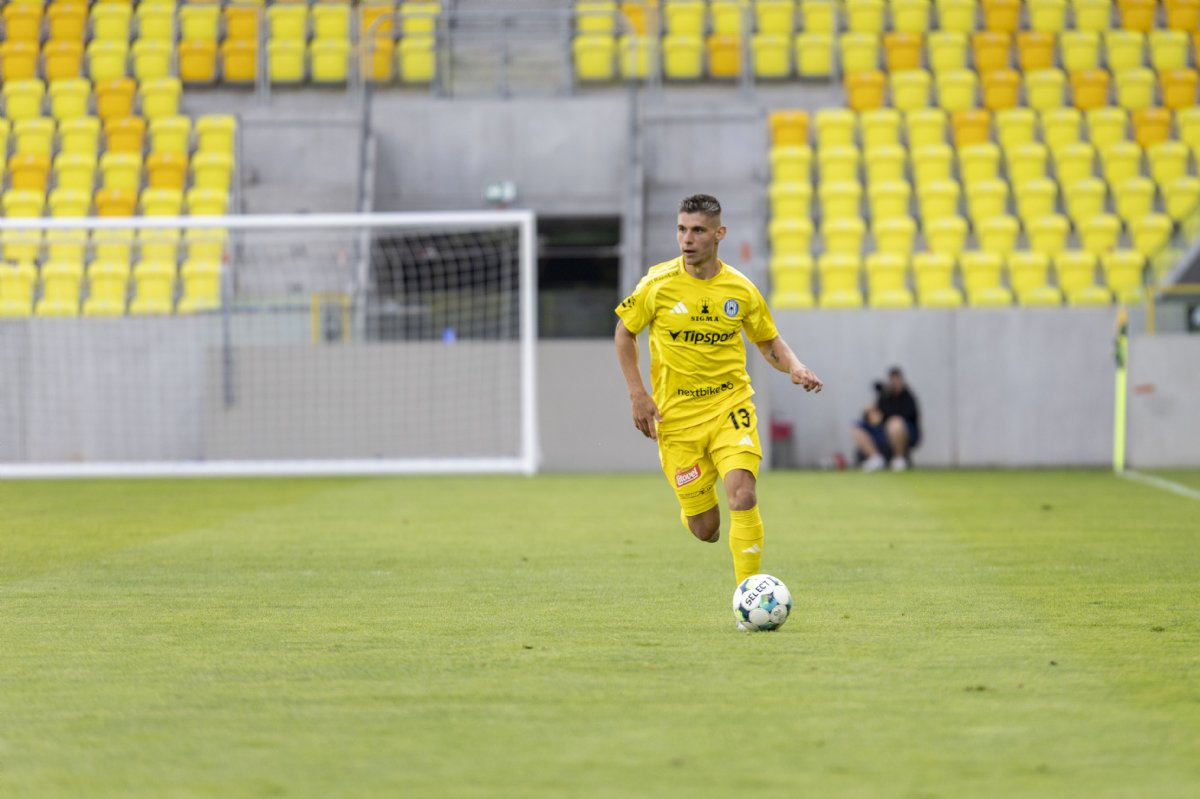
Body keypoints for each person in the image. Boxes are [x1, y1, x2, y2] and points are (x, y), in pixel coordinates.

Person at [614, 194, 823, 604]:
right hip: (677, 420)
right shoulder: (657, 284)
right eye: (682, 229)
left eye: (697, 230)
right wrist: (637, 393)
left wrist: (795, 367)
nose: (687, 239)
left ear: (719, 234)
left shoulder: (740, 289)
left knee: (743, 494)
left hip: (730, 406)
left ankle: (751, 597)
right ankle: (695, 503)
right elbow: (625, 332)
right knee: (705, 528)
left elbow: (768, 341)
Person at [852, 367, 921, 472]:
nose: (894, 382)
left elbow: (907, 415)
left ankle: (899, 459)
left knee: (895, 423)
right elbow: (873, 415)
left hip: (905, 431)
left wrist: (884, 418)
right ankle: (875, 458)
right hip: (883, 429)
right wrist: (870, 414)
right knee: (857, 427)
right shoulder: (885, 396)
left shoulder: (908, 397)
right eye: (892, 379)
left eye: (896, 379)